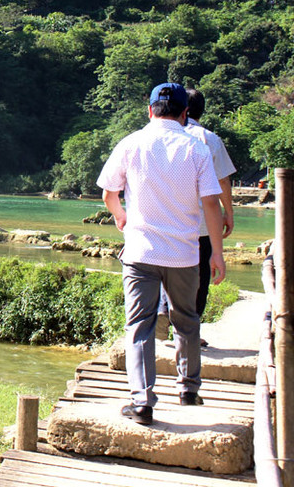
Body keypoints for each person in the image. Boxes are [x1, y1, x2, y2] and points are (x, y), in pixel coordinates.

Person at [96, 82, 226, 426]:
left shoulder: (131, 143)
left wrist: (121, 217)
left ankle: (142, 402)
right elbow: (211, 204)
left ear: (150, 110)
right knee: (187, 321)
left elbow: (110, 192)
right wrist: (217, 252)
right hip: (184, 253)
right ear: (185, 114)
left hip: (141, 251)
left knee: (140, 326)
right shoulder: (196, 147)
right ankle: (188, 389)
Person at [157, 89, 236, 344]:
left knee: (163, 267)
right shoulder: (208, 139)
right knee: (199, 277)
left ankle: (162, 312)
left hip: (167, 219)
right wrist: (228, 213)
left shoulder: (159, 136)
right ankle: (190, 331)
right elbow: (222, 180)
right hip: (201, 224)